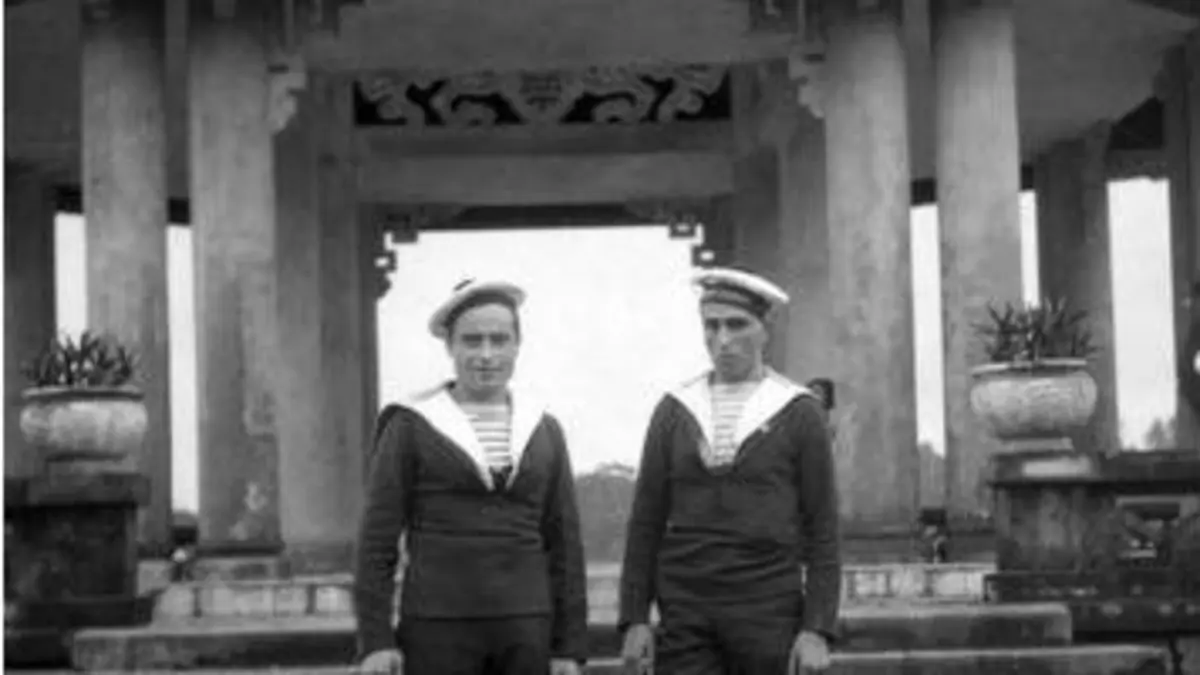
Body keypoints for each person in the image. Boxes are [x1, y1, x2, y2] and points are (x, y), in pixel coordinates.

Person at [353, 278, 589, 675]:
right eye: (472, 341)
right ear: (450, 346)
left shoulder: (543, 428)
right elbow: (377, 539)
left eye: (499, 340)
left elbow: (564, 543)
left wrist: (568, 645)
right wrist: (375, 641)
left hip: (526, 626)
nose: (486, 355)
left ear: (517, 345)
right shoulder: (411, 424)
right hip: (438, 625)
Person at [618, 267, 842, 675]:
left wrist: (817, 628)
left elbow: (823, 526)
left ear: (764, 330)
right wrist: (634, 617)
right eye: (712, 326)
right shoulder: (674, 410)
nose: (723, 339)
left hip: (768, 609)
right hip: (685, 612)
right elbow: (646, 521)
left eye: (737, 325)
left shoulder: (799, 411)